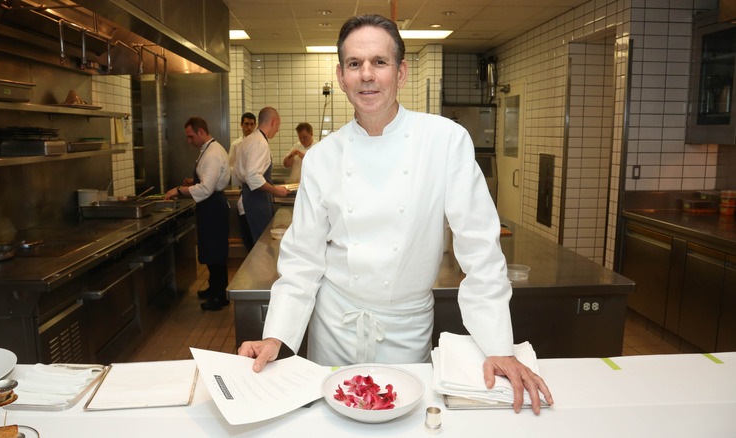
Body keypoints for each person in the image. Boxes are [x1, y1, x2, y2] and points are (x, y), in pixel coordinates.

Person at [237, 14, 553, 414]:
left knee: (404, 417)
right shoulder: (321, 158)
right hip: (334, 325)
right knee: (331, 420)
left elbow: (480, 249)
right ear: (341, 76)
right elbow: (302, 260)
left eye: (379, 63)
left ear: (401, 72)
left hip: (405, 327)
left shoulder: (444, 141)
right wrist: (277, 336)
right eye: (354, 64)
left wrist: (498, 347)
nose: (366, 75)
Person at [164, 117, 231, 312]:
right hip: (209, 207)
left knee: (216, 252)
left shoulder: (212, 154)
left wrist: (179, 190)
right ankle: (214, 288)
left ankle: (220, 296)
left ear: (201, 131)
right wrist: (192, 182)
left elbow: (206, 189)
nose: (189, 141)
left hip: (213, 208)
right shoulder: (208, 149)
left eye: (191, 136)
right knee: (210, 250)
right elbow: (205, 181)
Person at [232, 107, 289, 251]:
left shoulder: (248, 140)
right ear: (273, 122)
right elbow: (253, 177)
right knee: (261, 250)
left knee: (253, 249)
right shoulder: (260, 143)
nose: (277, 130)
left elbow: (238, 174)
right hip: (255, 204)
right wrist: (275, 190)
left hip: (247, 200)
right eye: (278, 126)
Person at [229, 112, 256, 187]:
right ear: (241, 125)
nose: (249, 127)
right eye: (246, 124)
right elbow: (230, 166)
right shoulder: (235, 144)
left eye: (251, 124)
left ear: (255, 125)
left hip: (256, 183)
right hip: (240, 184)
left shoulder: (261, 143)